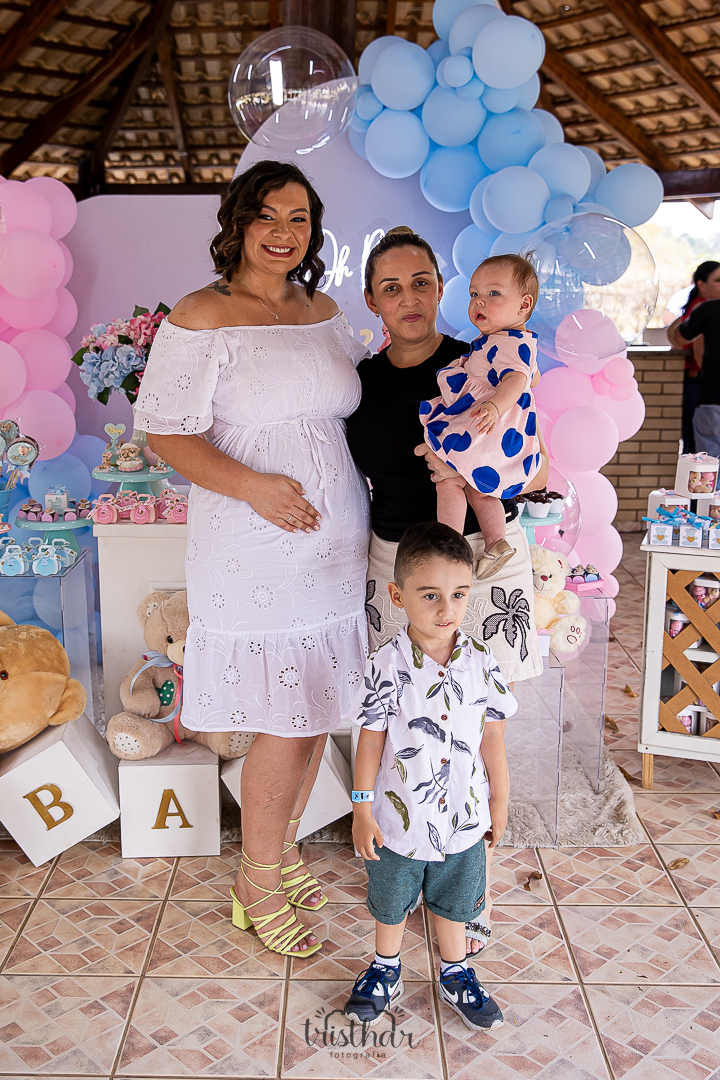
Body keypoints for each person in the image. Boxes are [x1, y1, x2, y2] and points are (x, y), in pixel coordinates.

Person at [134, 160, 371, 958]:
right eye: (267, 215)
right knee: (284, 719)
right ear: (238, 222)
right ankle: (256, 882)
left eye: (298, 218)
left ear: (313, 231)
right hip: (254, 544)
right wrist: (255, 488)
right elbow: (165, 432)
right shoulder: (202, 314)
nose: (283, 232)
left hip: (335, 546)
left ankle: (284, 851)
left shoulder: (323, 310)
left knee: (316, 710)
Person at [345, 226, 546, 955]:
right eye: (391, 287)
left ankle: (466, 895)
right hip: (397, 561)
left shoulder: (481, 362)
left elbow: (531, 453)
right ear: (372, 299)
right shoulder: (359, 383)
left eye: (422, 282)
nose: (409, 298)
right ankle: (401, 868)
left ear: (440, 288)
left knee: (477, 722)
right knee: (402, 720)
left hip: (482, 562)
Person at [345, 522, 512, 1030]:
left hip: (464, 815)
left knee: (455, 900)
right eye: (431, 595)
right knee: (391, 899)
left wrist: (500, 802)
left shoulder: (482, 663)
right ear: (398, 596)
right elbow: (370, 741)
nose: (447, 609)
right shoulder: (385, 665)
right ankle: (385, 968)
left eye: (459, 594)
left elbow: (493, 738)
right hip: (399, 820)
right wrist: (362, 810)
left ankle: (455, 971)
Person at [416, 254, 541, 578]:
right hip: (492, 430)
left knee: (449, 480)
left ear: (524, 305)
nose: (479, 301)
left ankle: (450, 544)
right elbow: (530, 377)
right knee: (480, 489)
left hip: (487, 426)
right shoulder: (505, 340)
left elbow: (517, 379)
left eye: (493, 293)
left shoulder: (508, 344)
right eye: (474, 294)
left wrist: (495, 406)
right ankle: (496, 541)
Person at [669, 262, 720, 459]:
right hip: (705, 390)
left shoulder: (704, 309)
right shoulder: (703, 308)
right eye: (718, 280)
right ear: (701, 284)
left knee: (704, 460)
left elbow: (681, 341)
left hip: (707, 392)